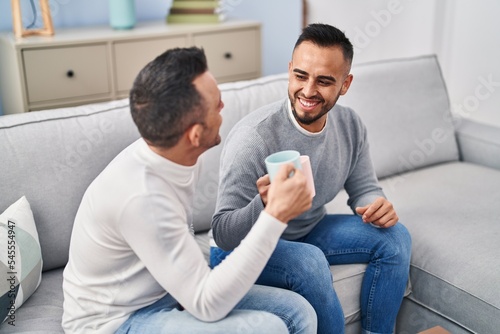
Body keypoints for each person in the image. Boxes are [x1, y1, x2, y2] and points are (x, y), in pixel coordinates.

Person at [62, 47, 317, 334]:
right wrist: (275, 216)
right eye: (216, 104)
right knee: (269, 328)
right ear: (195, 134)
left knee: (298, 313)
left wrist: (263, 204)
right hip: (114, 321)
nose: (223, 107)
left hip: (166, 289)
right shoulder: (141, 197)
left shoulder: (175, 153)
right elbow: (207, 305)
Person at [210, 24, 412, 334]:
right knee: (309, 261)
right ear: (290, 70)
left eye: (324, 81)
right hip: (243, 247)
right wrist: (264, 204)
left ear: (345, 84)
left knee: (396, 237)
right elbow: (223, 235)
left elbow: (365, 188)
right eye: (300, 76)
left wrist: (376, 206)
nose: (307, 91)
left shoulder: (349, 125)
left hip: (308, 228)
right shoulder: (254, 138)